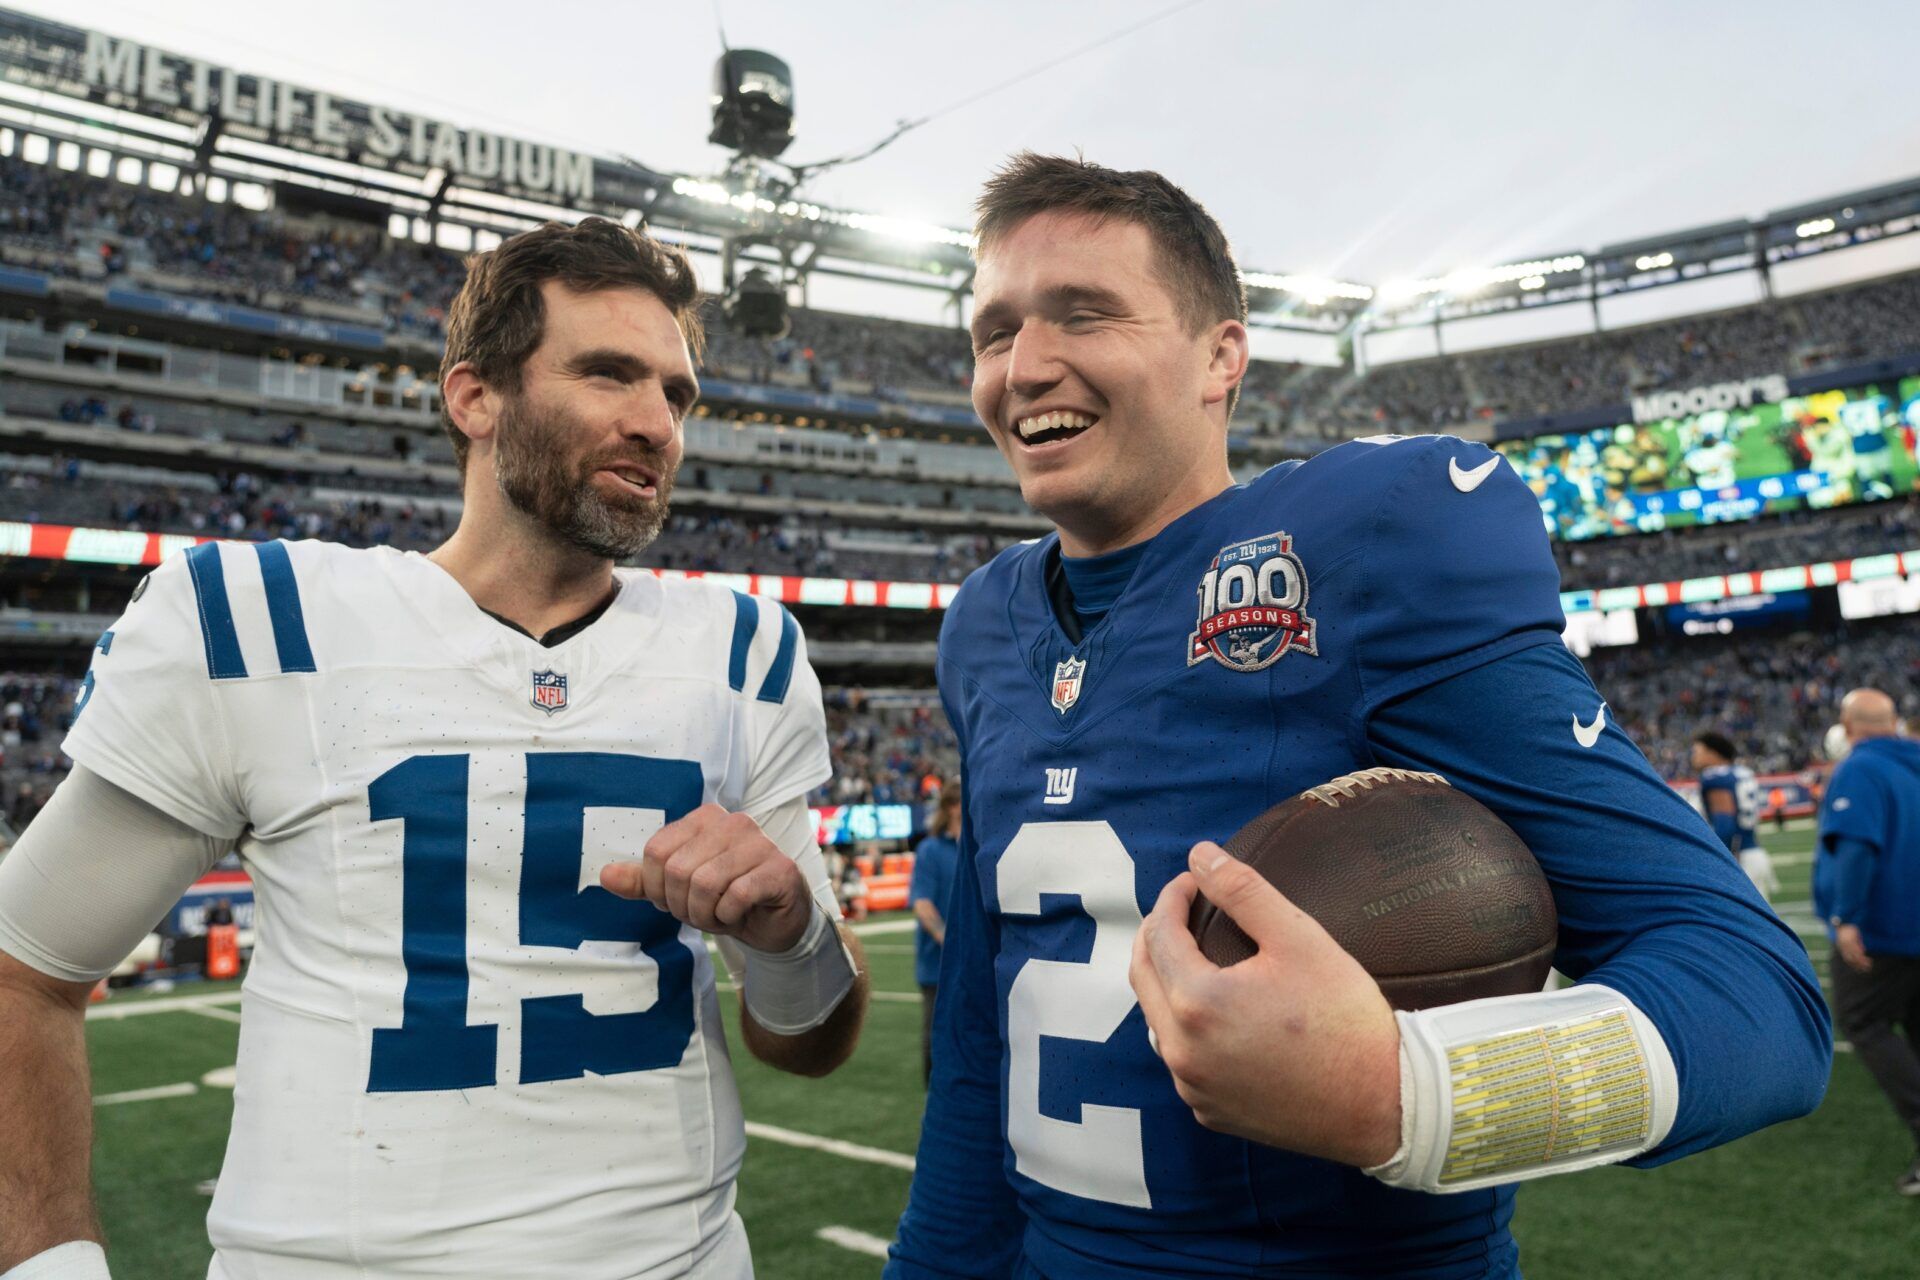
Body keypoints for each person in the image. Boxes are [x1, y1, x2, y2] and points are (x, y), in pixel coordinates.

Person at [887, 154, 1830, 1279]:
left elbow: (1761, 999)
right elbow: (980, 1049)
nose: (1024, 365)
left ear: (1219, 356)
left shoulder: (1368, 538)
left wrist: (1409, 1090)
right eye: (992, 333)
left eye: (1083, 315)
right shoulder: (983, 626)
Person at [0, 218, 868, 1280]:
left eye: (677, 395)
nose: (655, 423)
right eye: (608, 374)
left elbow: (814, 1039)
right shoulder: (264, 621)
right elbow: (23, 971)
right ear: (475, 397)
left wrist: (786, 938)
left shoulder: (745, 653)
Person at [1815, 687, 1920, 1194]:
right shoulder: (1912, 760)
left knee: (1865, 1022)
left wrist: (1846, 916)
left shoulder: (1859, 769)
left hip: (1884, 928)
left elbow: (1857, 846)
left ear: (1849, 725)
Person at [909, 782, 963, 1084]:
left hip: (974, 959)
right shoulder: (930, 850)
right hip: (938, 963)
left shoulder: (975, 848)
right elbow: (923, 905)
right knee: (935, 1032)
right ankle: (935, 1089)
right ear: (953, 807)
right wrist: (951, 940)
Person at [1691, 730, 1779, 900]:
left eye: (1697, 752)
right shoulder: (1743, 772)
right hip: (1754, 851)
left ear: (1712, 753)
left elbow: (1725, 824)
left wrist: (1720, 862)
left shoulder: (1714, 777)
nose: (1693, 757)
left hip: (1738, 857)